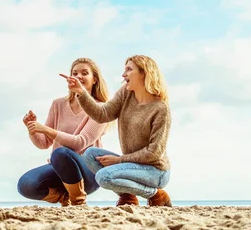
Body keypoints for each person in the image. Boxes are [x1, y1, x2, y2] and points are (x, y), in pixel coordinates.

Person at [59, 55, 172, 207]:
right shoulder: (125, 94)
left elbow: (154, 153)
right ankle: (128, 196)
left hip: (155, 171)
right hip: (132, 164)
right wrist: (81, 92)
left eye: (129, 69)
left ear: (144, 73)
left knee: (104, 177)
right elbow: (102, 114)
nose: (123, 74)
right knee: (90, 154)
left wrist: (119, 160)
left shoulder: (160, 109)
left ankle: (157, 195)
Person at [17, 58, 110, 206]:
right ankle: (63, 197)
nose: (79, 76)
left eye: (84, 73)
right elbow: (44, 143)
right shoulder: (58, 104)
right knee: (25, 185)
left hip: (88, 173)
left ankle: (78, 201)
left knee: (61, 153)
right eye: (75, 73)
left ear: (94, 80)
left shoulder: (101, 109)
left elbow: (80, 143)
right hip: (60, 168)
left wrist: (45, 129)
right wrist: (32, 129)